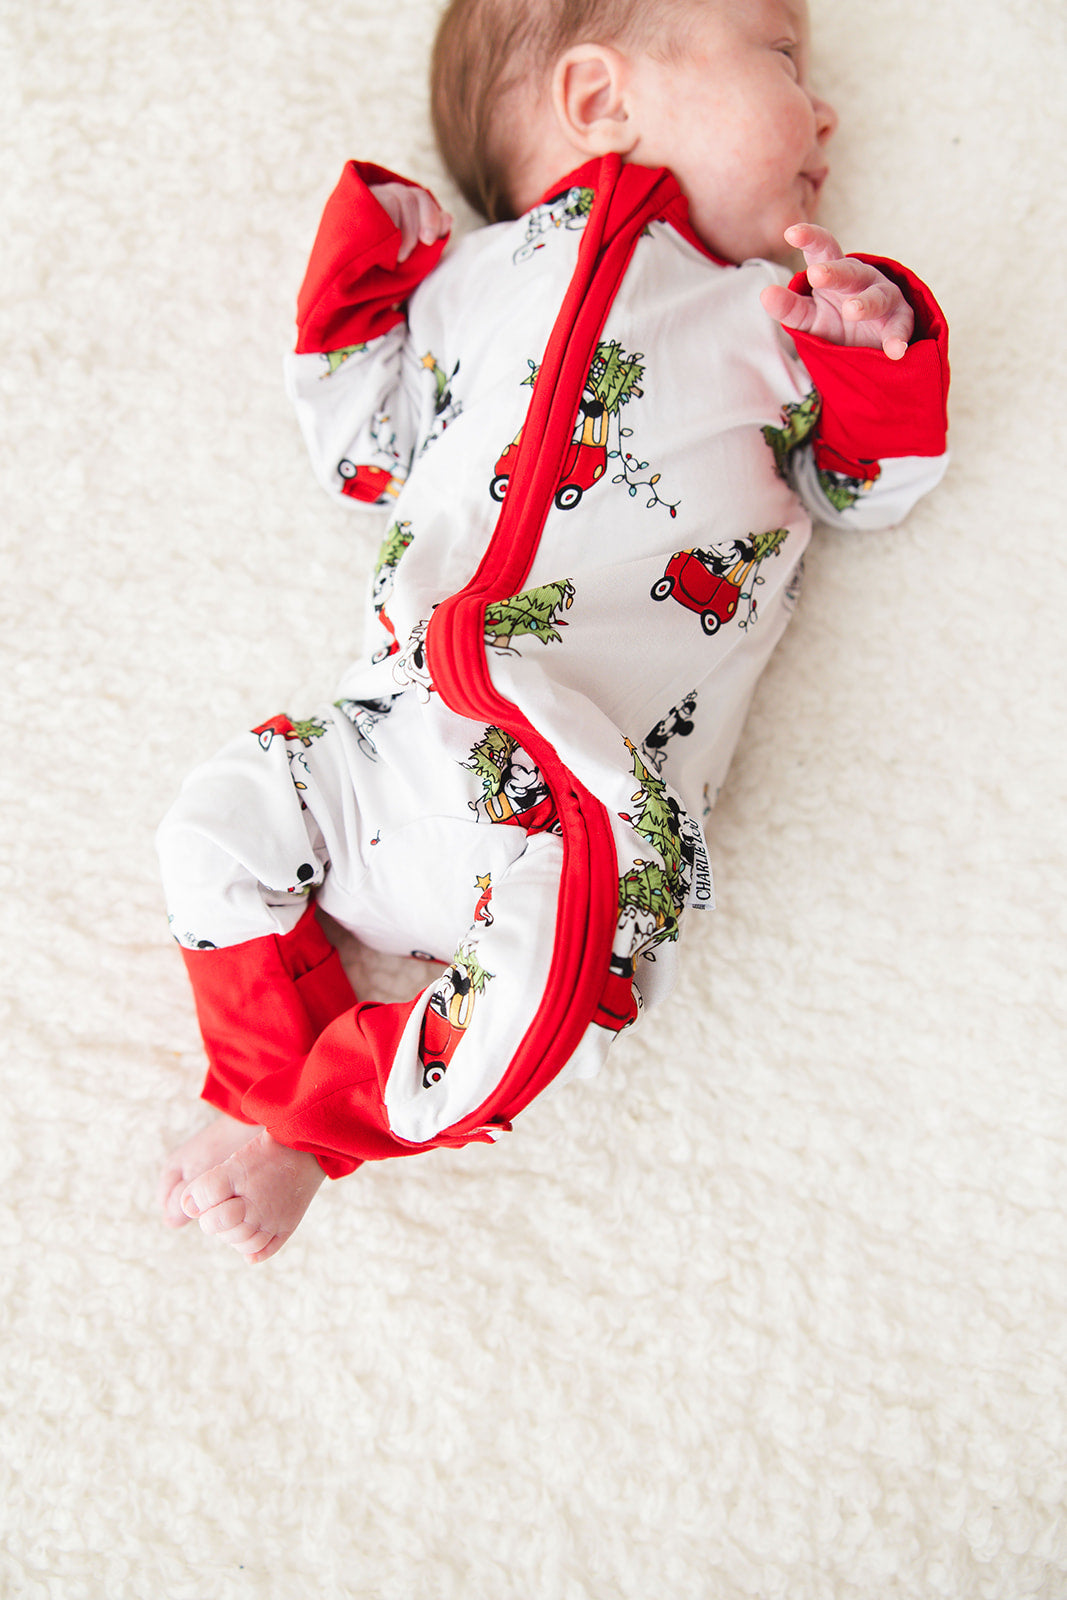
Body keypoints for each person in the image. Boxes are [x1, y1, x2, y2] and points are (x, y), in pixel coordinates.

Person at [157, 0, 949, 1263]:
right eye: (782, 59)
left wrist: (872, 355)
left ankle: (316, 1127)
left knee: (564, 980)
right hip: (388, 741)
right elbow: (362, 453)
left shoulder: (774, 319)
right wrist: (364, 271)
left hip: (588, 804)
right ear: (597, 100)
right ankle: (263, 1083)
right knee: (217, 819)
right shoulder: (468, 286)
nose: (826, 115)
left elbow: (862, 487)